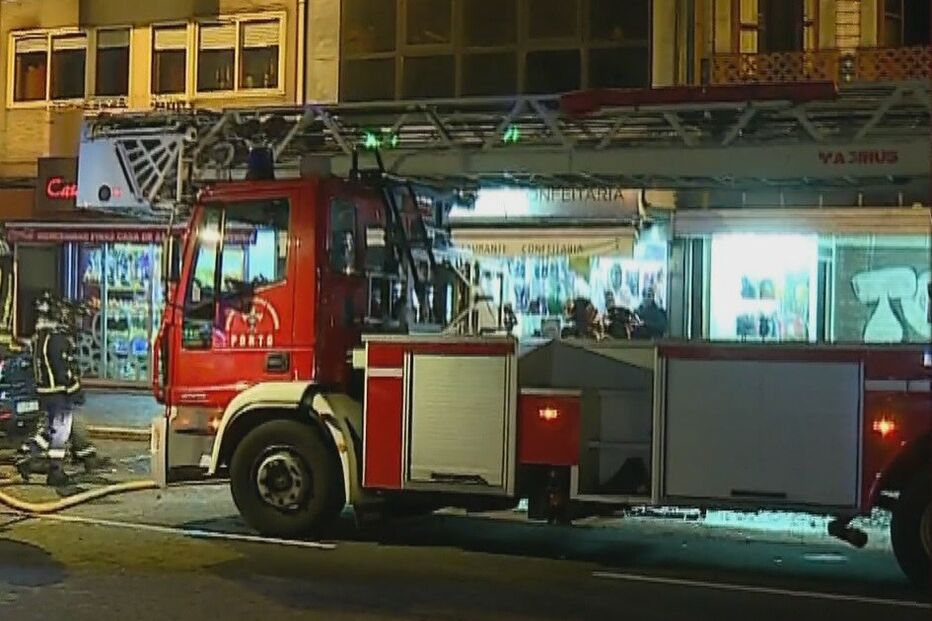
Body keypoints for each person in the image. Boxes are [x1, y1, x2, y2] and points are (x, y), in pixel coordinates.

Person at [15, 293, 99, 485]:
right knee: (61, 432)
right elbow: (64, 370)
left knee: (50, 430)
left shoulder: (39, 339)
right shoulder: (58, 340)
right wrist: (75, 391)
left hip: (45, 392)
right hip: (59, 393)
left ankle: (27, 458)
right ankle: (56, 472)